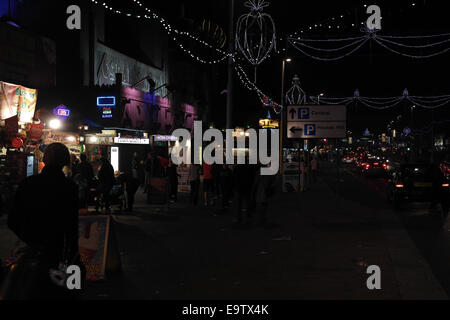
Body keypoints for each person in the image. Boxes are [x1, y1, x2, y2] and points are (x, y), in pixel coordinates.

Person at [5, 143, 82, 300]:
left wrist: (30, 237)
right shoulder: (70, 188)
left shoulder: (28, 184)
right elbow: (72, 227)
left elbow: (12, 220)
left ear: (47, 158)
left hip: (32, 253)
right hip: (59, 253)